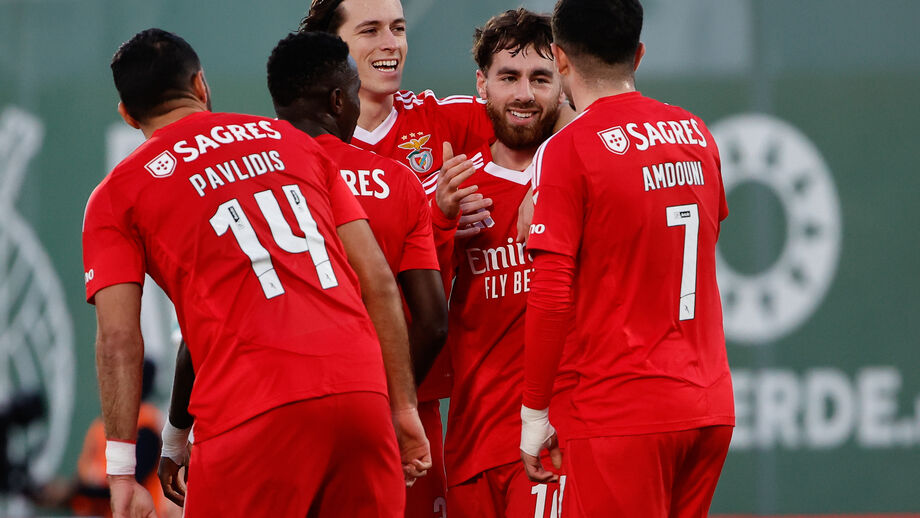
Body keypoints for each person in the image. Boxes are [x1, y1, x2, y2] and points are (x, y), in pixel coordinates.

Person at [83, 28, 427, 518]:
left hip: (252, 412)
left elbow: (118, 338)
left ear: (128, 114)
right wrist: (402, 406)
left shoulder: (116, 194)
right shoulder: (291, 140)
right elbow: (377, 281)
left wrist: (120, 471)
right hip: (359, 395)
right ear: (201, 85)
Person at [519, 1, 735, 517]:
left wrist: (533, 416)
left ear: (560, 59)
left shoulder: (569, 148)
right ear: (638, 53)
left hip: (621, 410)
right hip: (707, 405)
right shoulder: (696, 133)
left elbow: (550, 292)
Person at [300, 2, 497, 513]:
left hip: (415, 394)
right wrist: (439, 219)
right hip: (322, 394)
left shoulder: (442, 119)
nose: (392, 43)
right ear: (332, 47)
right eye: (370, 30)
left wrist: (548, 178)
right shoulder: (297, 148)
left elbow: (547, 113)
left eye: (399, 28)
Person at [436, 9, 573, 518]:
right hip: (470, 445)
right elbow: (410, 305)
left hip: (551, 444)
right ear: (482, 84)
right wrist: (439, 223)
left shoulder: (581, 173)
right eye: (508, 78)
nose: (523, 94)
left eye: (540, 78)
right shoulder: (453, 187)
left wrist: (554, 173)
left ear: (563, 82)